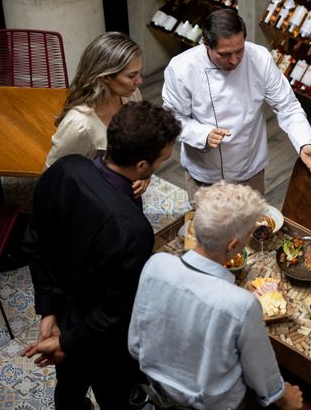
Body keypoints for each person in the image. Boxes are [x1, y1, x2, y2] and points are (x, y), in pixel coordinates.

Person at [21, 101, 181, 409]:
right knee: (118, 397)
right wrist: (67, 341)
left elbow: (35, 243)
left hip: (64, 315)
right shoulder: (133, 230)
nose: (163, 163)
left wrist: (49, 310)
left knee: (69, 388)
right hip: (104, 340)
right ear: (142, 166)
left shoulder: (65, 168)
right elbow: (114, 310)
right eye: (162, 159)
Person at [128, 181, 303, 410]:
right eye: (249, 234)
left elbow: (135, 346)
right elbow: (263, 377)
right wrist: (284, 398)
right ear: (232, 246)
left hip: (155, 396)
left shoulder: (156, 264)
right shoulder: (241, 304)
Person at [162, 8, 311, 200]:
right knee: (204, 220)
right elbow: (172, 118)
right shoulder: (182, 68)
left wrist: (304, 143)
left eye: (239, 50)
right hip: (204, 172)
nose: (234, 60)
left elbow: (287, 106)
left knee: (253, 219)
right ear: (205, 44)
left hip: (249, 168)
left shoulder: (259, 58)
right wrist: (202, 134)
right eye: (225, 54)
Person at [45, 31, 149, 197]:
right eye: (131, 76)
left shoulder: (131, 95)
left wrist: (144, 174)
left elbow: (140, 137)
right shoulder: (79, 125)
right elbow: (51, 177)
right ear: (106, 77)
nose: (139, 81)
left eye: (139, 73)